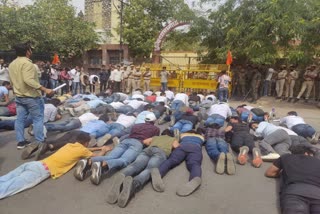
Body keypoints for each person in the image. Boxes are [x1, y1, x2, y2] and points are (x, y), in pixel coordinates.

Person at [0, 132, 112, 199]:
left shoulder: (70, 145)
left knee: (6, 178)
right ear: (86, 142)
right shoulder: (83, 151)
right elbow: (95, 156)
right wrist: (103, 149)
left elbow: (84, 149)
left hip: (35, 164)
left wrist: (98, 147)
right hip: (41, 171)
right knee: (10, 187)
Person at [74, 113, 160, 185]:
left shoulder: (136, 126)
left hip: (126, 141)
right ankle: (102, 165)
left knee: (110, 157)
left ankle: (88, 161)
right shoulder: (156, 129)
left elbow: (129, 134)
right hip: (138, 143)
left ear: (145, 120)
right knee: (124, 160)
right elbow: (152, 140)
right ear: (154, 121)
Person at [106, 131, 179, 207]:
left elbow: (145, 141)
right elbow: (176, 146)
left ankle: (122, 175)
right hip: (160, 152)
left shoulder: (156, 137)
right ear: (171, 135)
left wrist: (152, 144)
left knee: (134, 166)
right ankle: (133, 185)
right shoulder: (173, 139)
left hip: (148, 150)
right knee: (149, 169)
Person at [8, 42, 54, 152]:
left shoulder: (12, 64)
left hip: (19, 96)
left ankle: (21, 142)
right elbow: (28, 80)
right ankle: (39, 142)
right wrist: (44, 89)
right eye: (30, 49)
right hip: (31, 97)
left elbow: (11, 81)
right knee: (38, 119)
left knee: (20, 120)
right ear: (28, 51)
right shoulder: (28, 64)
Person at [265, 145, 320, 214]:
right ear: (307, 153)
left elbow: (270, 172)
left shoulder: (286, 157)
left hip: (294, 192)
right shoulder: (318, 161)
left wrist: (283, 174)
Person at [151, 130, 204, 197]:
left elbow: (177, 140)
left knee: (171, 160)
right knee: (194, 164)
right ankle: (195, 177)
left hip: (182, 146)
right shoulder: (201, 137)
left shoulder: (184, 134)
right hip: (196, 147)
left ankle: (159, 172)